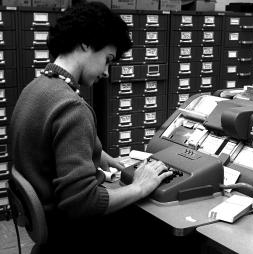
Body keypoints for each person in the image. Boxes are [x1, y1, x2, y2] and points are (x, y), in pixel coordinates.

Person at [10, 1, 172, 253]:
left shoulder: (35, 89)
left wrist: (96, 153)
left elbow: (45, 147)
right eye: (107, 59)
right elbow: (82, 203)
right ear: (85, 42)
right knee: (167, 228)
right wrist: (139, 186)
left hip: (50, 227)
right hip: (74, 234)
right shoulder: (72, 107)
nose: (107, 72)